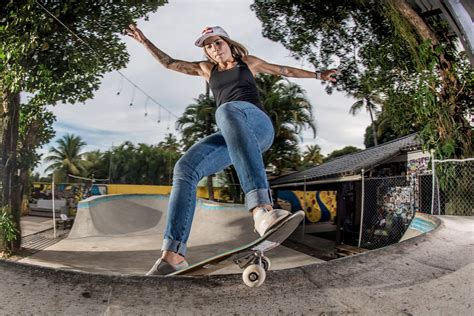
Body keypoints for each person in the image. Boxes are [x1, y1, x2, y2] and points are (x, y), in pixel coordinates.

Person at [127, 25, 337, 275]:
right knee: (185, 168)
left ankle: (261, 210)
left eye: (218, 43)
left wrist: (318, 75)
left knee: (227, 109)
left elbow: (285, 70)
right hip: (231, 133)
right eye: (208, 46)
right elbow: (170, 63)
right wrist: (144, 41)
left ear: (227, 43)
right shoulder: (206, 70)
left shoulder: (249, 62)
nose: (214, 49)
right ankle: (172, 255)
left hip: (258, 126)